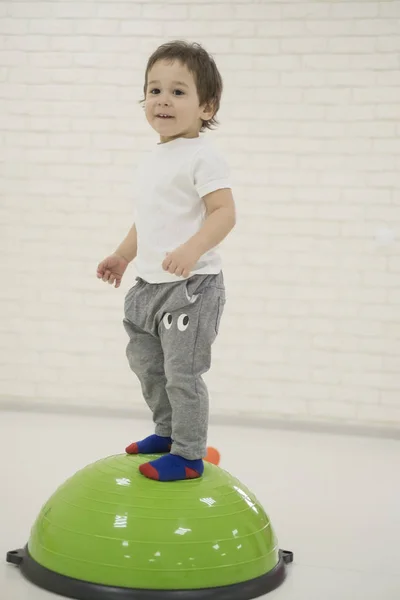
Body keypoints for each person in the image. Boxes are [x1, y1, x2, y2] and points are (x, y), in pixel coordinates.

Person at [96, 40, 236, 482]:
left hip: (191, 289)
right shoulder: (152, 159)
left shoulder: (202, 155)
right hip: (148, 286)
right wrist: (122, 255)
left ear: (206, 107)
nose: (162, 100)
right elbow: (149, 221)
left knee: (183, 373)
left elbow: (224, 212)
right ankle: (168, 431)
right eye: (154, 90)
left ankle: (191, 454)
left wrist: (192, 249)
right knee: (148, 366)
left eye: (178, 92)